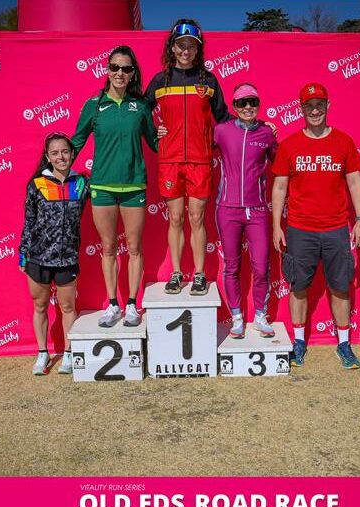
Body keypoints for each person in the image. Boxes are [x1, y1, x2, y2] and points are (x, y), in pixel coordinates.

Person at [271, 82, 360, 371]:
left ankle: (344, 344)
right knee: (298, 286)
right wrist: (277, 225)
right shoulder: (289, 145)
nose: (314, 110)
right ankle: (298, 342)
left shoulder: (344, 142)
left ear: (328, 106)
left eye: (319, 105)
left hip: (337, 228)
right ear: (301, 109)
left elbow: (354, 182)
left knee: (340, 287)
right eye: (309, 106)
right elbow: (279, 188)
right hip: (300, 229)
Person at [71, 45, 158, 328]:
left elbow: (155, 143)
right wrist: (52, 168)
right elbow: (76, 142)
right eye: (115, 68)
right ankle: (112, 304)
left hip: (134, 186)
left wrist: (172, 138)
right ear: (107, 70)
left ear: (133, 74)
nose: (120, 73)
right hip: (102, 187)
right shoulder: (94, 105)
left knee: (134, 247)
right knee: (108, 247)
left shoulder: (141, 106)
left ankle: (132, 304)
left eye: (126, 69)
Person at [144, 19, 231, 296]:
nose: (186, 51)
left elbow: (224, 118)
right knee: (176, 218)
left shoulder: (208, 80)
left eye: (191, 46)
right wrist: (153, 133)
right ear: (172, 47)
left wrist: (257, 128)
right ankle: (177, 273)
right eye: (181, 45)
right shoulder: (160, 80)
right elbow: (141, 113)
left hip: (200, 161)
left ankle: (200, 275)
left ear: (198, 50)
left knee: (197, 218)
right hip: (169, 161)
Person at [18, 132, 89, 375]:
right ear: (47, 157)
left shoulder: (82, 183)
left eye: (65, 152)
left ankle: (69, 353)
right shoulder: (37, 184)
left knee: (68, 307)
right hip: (38, 257)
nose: (61, 157)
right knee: (40, 306)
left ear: (72, 153)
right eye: (55, 153)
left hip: (68, 257)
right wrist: (23, 254)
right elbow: (28, 222)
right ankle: (42, 354)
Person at [214, 83, 278, 339]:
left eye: (252, 102)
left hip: (257, 210)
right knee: (231, 266)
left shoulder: (266, 133)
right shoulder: (221, 131)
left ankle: (260, 315)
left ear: (259, 104)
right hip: (227, 209)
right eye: (242, 103)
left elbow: (281, 166)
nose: (248, 107)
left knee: (261, 267)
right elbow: (195, 145)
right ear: (234, 106)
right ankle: (237, 318)